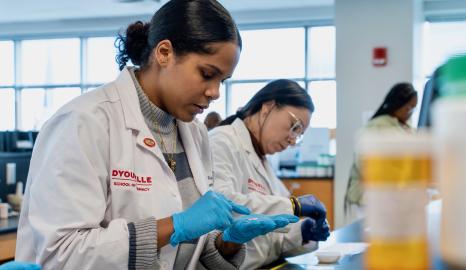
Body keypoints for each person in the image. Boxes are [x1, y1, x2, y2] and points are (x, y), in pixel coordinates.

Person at [15, 1, 299, 269]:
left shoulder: (195, 134)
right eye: (206, 74)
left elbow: (181, 255)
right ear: (164, 53)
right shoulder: (84, 122)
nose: (215, 92)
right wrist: (175, 225)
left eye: (222, 80)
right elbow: (61, 254)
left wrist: (225, 244)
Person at [209, 79, 331, 269]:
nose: (293, 140)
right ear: (267, 108)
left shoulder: (263, 160)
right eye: (294, 126)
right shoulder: (221, 141)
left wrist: (303, 232)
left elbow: (273, 239)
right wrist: (293, 205)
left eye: (299, 134)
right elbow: (223, 207)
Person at [344, 82, 418, 220]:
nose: (410, 112)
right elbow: (366, 165)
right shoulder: (377, 126)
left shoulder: (407, 128)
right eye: (408, 107)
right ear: (397, 103)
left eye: (413, 108)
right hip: (371, 198)